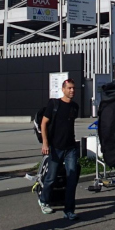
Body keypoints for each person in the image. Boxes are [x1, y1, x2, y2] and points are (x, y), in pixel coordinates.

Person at [39, 78, 80, 221]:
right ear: (63, 89)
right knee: (51, 177)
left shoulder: (75, 107)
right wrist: (45, 143)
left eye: (73, 88)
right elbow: (44, 123)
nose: (72, 90)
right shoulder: (54, 104)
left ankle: (69, 210)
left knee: (72, 178)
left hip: (70, 148)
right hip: (56, 147)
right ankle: (44, 200)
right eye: (69, 88)